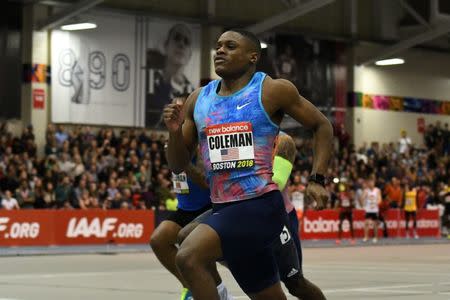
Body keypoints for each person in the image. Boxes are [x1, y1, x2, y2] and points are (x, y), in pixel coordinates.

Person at [164, 29, 332, 299]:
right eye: (218, 46)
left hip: (260, 205)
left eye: (230, 46)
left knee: (188, 255)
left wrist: (317, 179)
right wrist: (174, 132)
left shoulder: (272, 91)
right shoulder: (199, 100)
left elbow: (322, 126)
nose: (220, 50)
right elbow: (177, 164)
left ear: (252, 56)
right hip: (222, 207)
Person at [177, 132, 327, 299]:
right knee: (186, 236)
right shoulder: (234, 131)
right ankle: (222, 290)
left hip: (273, 213)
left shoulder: (283, 140)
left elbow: (277, 182)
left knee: (295, 283)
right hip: (234, 209)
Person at [150, 97, 233, 300]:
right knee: (158, 240)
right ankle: (190, 286)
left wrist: (183, 162)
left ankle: (219, 291)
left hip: (206, 206)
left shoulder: (200, 142)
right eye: (173, 109)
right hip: (185, 208)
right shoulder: (173, 140)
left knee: (196, 249)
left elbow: (206, 182)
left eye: (181, 110)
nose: (176, 113)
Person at [146, 23, 195, 128]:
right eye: (177, 38)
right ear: (166, 45)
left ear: (190, 54)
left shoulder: (192, 94)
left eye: (186, 42)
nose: (181, 44)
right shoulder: (147, 82)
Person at [361, 177, 382, 243]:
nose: (371, 184)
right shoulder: (366, 190)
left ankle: (375, 237)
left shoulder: (377, 190)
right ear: (368, 183)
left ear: (374, 183)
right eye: (369, 183)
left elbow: (380, 199)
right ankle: (366, 237)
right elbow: (362, 198)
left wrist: (377, 203)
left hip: (375, 210)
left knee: (375, 224)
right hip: (368, 209)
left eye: (372, 182)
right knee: (366, 223)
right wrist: (363, 204)